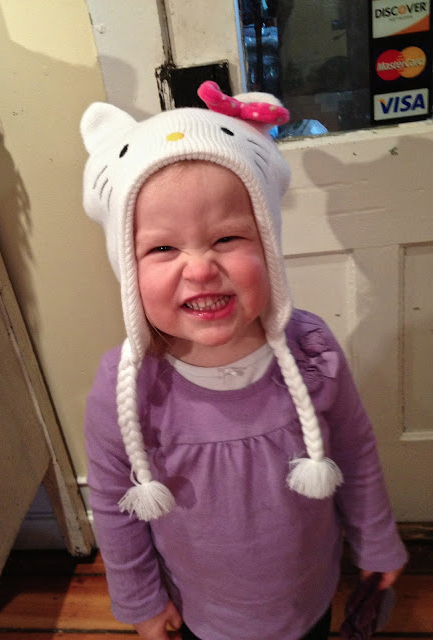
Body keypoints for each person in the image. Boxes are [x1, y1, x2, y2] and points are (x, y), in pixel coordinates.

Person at [80, 81, 407, 640]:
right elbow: (115, 506)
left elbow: (354, 449)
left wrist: (375, 540)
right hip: (203, 613)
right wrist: (139, 601)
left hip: (309, 596)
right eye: (163, 248)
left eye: (227, 238)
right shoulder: (125, 389)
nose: (200, 268)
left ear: (269, 246)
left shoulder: (312, 352)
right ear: (128, 271)